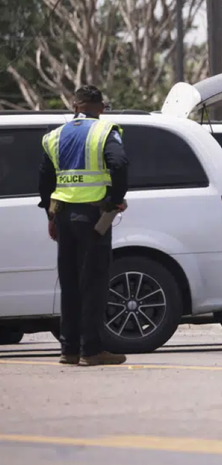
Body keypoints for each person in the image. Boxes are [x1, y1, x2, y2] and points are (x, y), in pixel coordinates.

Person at [38, 85, 130, 366]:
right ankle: (90, 350)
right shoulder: (105, 131)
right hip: (93, 219)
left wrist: (50, 216)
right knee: (93, 283)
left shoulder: (54, 136)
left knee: (70, 283)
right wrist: (115, 200)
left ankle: (68, 350)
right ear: (100, 107)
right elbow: (120, 163)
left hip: (64, 217)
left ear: (75, 106)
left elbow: (44, 180)